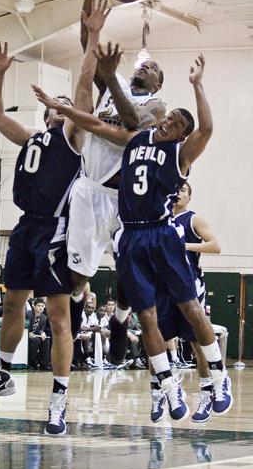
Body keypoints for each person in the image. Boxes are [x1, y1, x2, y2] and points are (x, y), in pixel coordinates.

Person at [33, 49, 233, 422]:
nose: (166, 123)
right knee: (149, 318)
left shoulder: (179, 153)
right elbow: (95, 125)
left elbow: (205, 129)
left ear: (179, 132)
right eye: (167, 119)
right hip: (132, 236)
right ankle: (167, 388)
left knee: (189, 313)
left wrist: (198, 85)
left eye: (173, 122)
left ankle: (217, 380)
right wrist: (57, 107)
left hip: (161, 235)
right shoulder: (136, 140)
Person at [0, 0, 109, 436]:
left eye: (65, 103)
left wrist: (93, 38)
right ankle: (3, 372)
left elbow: (84, 89)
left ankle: (59, 401)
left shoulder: (71, 137)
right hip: (25, 227)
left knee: (59, 315)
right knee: (13, 302)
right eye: (55, 103)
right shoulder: (32, 137)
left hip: (55, 231)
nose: (60, 104)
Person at [68, 0, 166, 334]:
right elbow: (87, 44)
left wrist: (110, 78)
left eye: (153, 67)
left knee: (129, 271)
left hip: (126, 198)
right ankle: (77, 313)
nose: (146, 67)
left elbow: (131, 124)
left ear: (157, 83)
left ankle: (122, 319)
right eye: (144, 64)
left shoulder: (157, 107)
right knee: (77, 274)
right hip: (90, 188)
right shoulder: (115, 83)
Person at [150, 181, 222, 423]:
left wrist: (182, 246)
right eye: (176, 189)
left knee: (196, 343)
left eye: (183, 190)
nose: (178, 193)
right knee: (156, 341)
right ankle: (159, 391)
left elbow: (215, 246)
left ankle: (207, 392)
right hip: (162, 288)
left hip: (189, 287)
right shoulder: (159, 219)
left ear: (190, 197)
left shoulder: (193, 219)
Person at [28, 298, 50, 370]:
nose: (41, 307)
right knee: (36, 340)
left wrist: (42, 332)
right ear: (34, 306)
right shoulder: (28, 314)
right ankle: (32, 363)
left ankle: (44, 364)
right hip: (26, 335)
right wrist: (28, 333)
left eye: (42, 306)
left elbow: (40, 329)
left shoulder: (44, 317)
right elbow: (22, 325)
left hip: (35, 335)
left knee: (46, 340)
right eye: (39, 306)